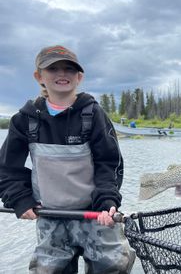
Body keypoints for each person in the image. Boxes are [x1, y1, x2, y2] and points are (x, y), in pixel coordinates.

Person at [0, 45, 135, 273]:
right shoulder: (24, 120)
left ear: (79, 77)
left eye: (69, 69)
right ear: (39, 76)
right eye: (53, 68)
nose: (62, 74)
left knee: (114, 266)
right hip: (50, 214)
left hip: (96, 213)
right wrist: (20, 199)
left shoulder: (93, 114)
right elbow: (7, 169)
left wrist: (107, 202)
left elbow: (109, 164)